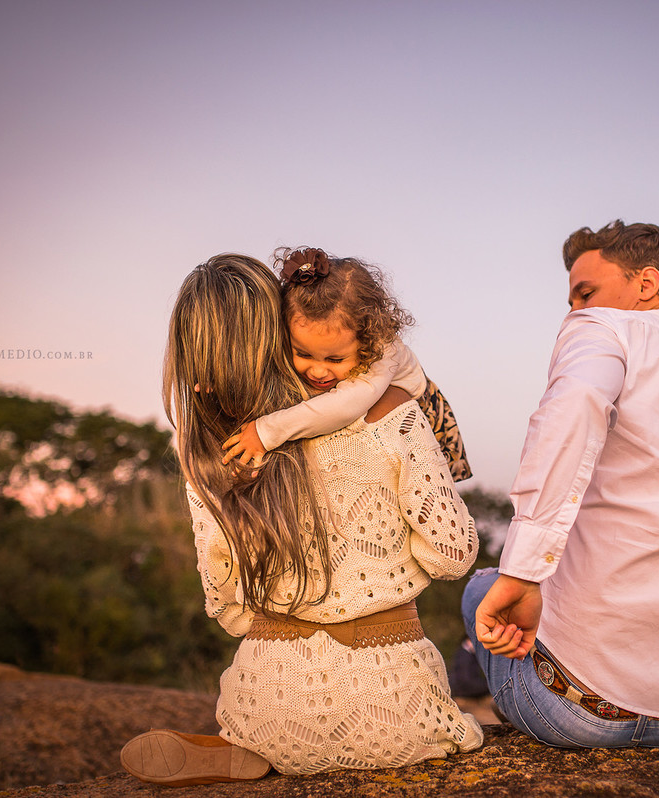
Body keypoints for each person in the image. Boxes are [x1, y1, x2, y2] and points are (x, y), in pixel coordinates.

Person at [121, 254, 482, 786]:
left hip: (272, 709)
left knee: (259, 715)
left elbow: (229, 606)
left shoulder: (211, 451)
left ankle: (243, 748)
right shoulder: (388, 410)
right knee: (501, 651)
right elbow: (452, 557)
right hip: (396, 715)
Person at [462, 221, 659, 749]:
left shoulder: (603, 328)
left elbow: (574, 407)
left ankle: (496, 688)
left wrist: (523, 573)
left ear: (646, 283)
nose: (573, 311)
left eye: (586, 293)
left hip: (580, 715)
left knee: (480, 588)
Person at [221, 247, 472, 483]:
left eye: (335, 360)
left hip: (423, 424)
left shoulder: (384, 351)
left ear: (367, 339)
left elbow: (342, 407)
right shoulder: (302, 334)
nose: (318, 371)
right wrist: (220, 377)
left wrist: (266, 432)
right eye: (303, 354)